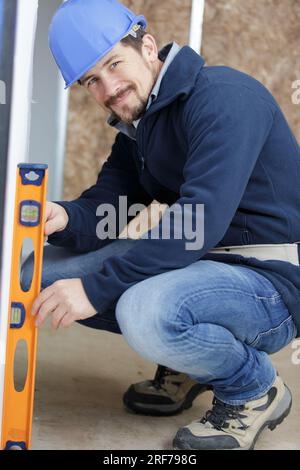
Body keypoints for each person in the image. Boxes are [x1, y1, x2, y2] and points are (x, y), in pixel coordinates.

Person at [21, 0, 300, 450]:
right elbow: (108, 208)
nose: (109, 88)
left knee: (146, 312)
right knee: (39, 274)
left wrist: (94, 289)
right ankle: (191, 360)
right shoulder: (140, 128)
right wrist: (64, 217)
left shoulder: (224, 98)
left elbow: (197, 221)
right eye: (93, 80)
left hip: (272, 278)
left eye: (114, 63)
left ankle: (252, 389)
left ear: (147, 46)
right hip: (199, 262)